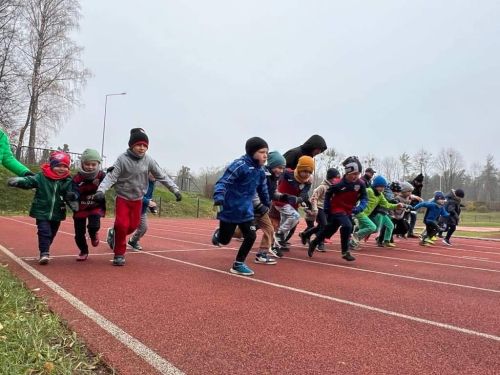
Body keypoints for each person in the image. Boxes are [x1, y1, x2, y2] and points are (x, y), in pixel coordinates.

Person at [95, 128, 182, 266]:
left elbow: (162, 176)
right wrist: (101, 191)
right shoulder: (122, 159)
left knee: (133, 226)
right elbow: (111, 177)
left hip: (138, 199)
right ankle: (119, 254)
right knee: (121, 225)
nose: (142, 148)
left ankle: (115, 233)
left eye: (145, 146)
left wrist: (175, 190)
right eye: (139, 145)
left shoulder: (149, 160)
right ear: (131, 145)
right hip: (123, 197)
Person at [211, 137, 270, 276]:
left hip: (246, 210)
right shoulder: (239, 165)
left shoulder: (261, 171)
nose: (265, 155)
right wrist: (219, 197)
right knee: (225, 241)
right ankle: (219, 234)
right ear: (251, 152)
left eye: (267, 152)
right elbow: (223, 182)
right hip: (230, 209)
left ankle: (238, 264)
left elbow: (263, 188)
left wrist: (267, 203)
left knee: (251, 235)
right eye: (262, 152)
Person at [7, 151, 72, 264]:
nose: (61, 169)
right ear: (52, 165)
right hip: (42, 210)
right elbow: (30, 181)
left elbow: (72, 193)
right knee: (44, 231)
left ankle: (45, 247)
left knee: (52, 233)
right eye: (58, 165)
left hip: (57, 212)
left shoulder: (68, 181)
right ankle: (44, 253)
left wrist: (74, 199)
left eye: (65, 166)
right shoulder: (41, 177)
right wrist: (19, 181)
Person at [308, 156, 368, 261]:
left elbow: (364, 198)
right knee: (348, 226)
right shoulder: (338, 184)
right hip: (336, 209)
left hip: (349, 210)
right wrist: (326, 208)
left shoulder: (360, 184)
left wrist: (360, 207)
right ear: (347, 173)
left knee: (329, 230)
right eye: (353, 174)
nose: (355, 177)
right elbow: (328, 194)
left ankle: (314, 242)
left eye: (357, 174)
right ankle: (345, 252)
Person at [67, 149, 106, 261]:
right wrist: (73, 196)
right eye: (87, 164)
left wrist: (112, 173)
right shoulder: (77, 177)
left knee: (94, 226)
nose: (90, 167)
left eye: (93, 164)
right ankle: (83, 250)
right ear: (82, 164)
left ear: (98, 164)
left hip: (95, 205)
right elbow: (74, 190)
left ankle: (93, 234)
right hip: (81, 207)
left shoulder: (102, 175)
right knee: (79, 234)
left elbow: (110, 182)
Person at [127, 173, 177, 251]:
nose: (154, 176)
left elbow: (148, 197)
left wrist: (152, 208)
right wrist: (147, 202)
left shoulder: (152, 183)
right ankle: (113, 233)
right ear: (148, 173)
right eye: (152, 173)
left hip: (142, 210)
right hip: (133, 208)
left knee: (144, 227)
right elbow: (136, 195)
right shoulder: (141, 181)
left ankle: (133, 241)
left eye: (155, 174)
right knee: (127, 226)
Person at [351, 176, 405, 249]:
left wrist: (397, 206)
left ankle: (352, 242)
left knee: (374, 229)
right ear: (375, 185)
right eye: (380, 187)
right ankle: (355, 235)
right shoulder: (369, 191)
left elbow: (387, 205)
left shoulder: (380, 195)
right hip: (360, 212)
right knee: (372, 227)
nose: (382, 189)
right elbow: (358, 193)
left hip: (366, 215)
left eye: (383, 187)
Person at [273, 156, 315, 249]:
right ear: (299, 169)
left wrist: (299, 200)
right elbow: (276, 176)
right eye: (304, 171)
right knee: (295, 216)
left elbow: (304, 194)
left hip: (292, 204)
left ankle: (277, 245)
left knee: (287, 223)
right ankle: (279, 234)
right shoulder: (287, 173)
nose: (306, 174)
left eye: (309, 172)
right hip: (281, 201)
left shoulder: (308, 182)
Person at [298, 168, 341, 251]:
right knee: (324, 225)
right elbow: (313, 198)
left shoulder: (334, 187)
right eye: (336, 178)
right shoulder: (322, 187)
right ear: (330, 177)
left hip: (328, 210)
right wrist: (315, 209)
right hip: (320, 208)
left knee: (321, 226)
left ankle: (305, 234)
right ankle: (320, 244)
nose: (337, 180)